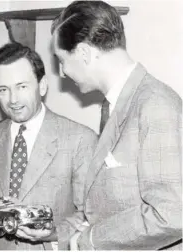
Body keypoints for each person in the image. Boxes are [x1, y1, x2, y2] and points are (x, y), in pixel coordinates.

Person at [49, 0, 182, 250]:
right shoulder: (116, 104)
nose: (63, 72)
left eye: (61, 59)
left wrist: (91, 239)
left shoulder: (155, 105)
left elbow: (172, 215)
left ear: (84, 54)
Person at [0, 42, 97, 250]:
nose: (13, 100)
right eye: (3, 90)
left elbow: (90, 215)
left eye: (22, 87)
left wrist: (53, 234)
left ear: (42, 86)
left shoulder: (80, 139)